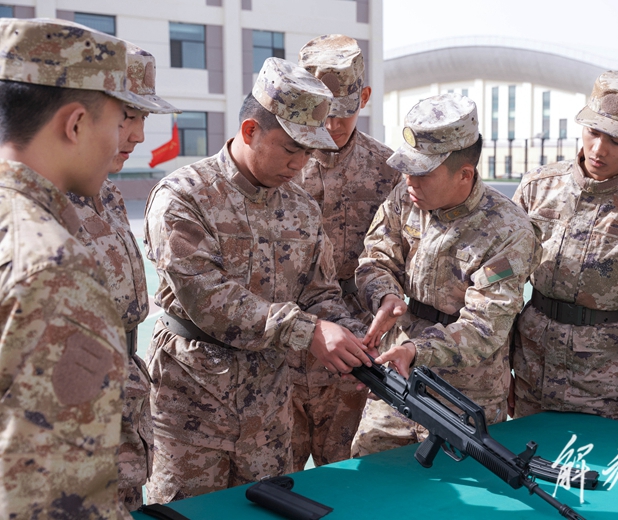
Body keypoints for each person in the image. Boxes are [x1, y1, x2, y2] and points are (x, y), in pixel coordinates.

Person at [143, 57, 371, 502]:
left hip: (267, 409)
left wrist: (355, 343)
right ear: (250, 131)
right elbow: (208, 299)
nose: (300, 163)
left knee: (267, 507)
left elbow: (319, 292)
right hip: (193, 405)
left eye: (309, 152)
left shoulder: (301, 207)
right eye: (291, 149)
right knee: (188, 513)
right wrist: (308, 331)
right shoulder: (184, 196)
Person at [0, 18, 159, 518]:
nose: (127, 140)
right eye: (118, 122)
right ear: (75, 124)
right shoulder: (53, 268)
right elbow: (53, 500)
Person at [350, 92, 540, 457]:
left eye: (422, 172)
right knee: (371, 470)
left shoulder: (509, 231)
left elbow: (484, 326)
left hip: (465, 393)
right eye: (407, 168)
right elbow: (376, 256)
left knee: (460, 486)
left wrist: (416, 349)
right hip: (399, 375)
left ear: (464, 174)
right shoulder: (406, 198)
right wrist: (385, 295)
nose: (409, 180)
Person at [510, 71, 618, 426]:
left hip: (605, 383)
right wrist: (499, 367)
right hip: (530, 368)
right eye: (593, 132)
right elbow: (501, 276)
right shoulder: (537, 188)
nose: (599, 149)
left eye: (617, 140)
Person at [67, 44, 180, 511]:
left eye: (143, 118)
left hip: (125, 406)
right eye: (126, 116)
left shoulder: (108, 193)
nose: (137, 135)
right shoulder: (33, 205)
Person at [289, 34, 402, 471]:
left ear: (365, 98)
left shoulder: (388, 170)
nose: (334, 124)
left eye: (345, 111)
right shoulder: (279, 162)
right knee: (273, 479)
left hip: (355, 347)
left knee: (347, 474)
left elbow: (399, 254)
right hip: (282, 347)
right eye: (324, 112)